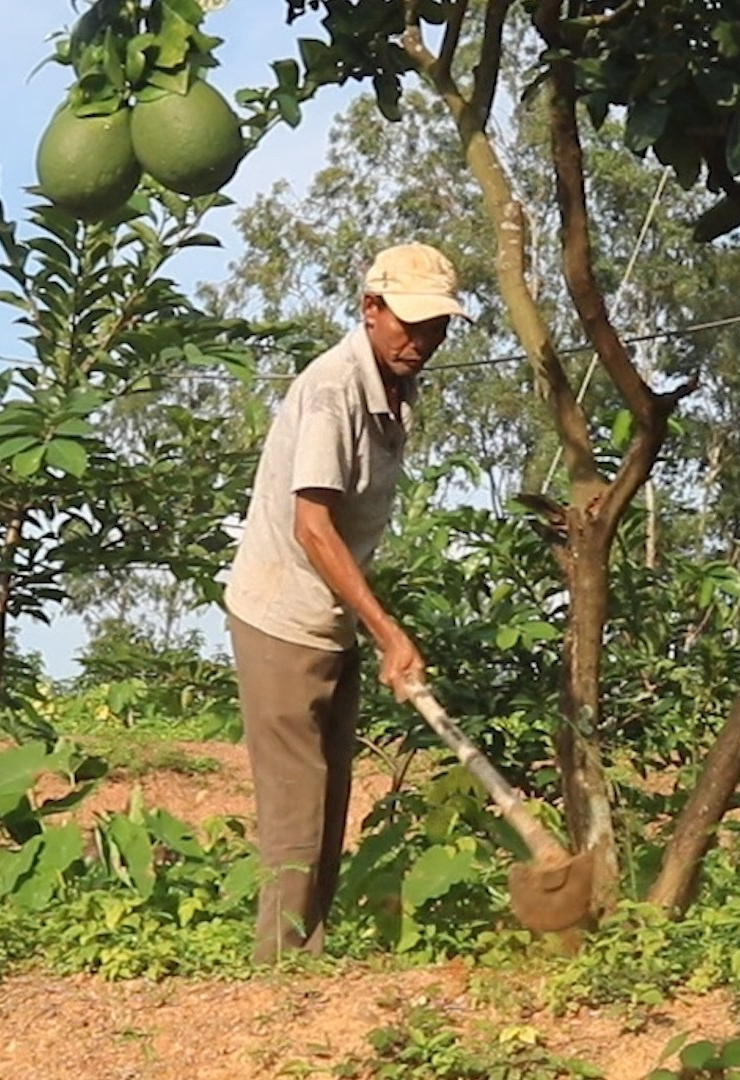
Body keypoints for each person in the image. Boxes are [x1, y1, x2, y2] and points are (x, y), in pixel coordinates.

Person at [224, 242, 467, 962]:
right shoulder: (334, 389)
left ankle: (306, 961)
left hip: (329, 622)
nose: (420, 342)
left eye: (436, 329)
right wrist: (389, 632)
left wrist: (367, 630)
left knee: (329, 806)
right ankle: (277, 981)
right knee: (297, 811)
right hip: (281, 619)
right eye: (408, 325)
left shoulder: (394, 393)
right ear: (370, 309)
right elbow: (312, 527)